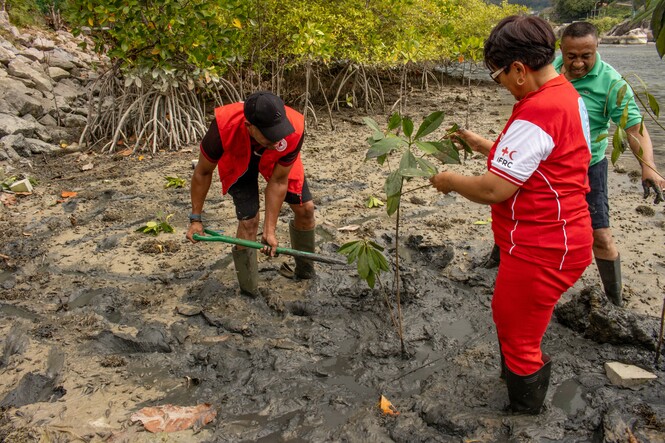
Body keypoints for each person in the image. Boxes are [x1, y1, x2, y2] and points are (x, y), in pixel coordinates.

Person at [430, 15, 593, 414]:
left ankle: (525, 416)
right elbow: (539, 163)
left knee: (519, 337)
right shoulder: (564, 96)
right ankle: (518, 388)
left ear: (519, 69)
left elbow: (493, 188)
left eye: (498, 75)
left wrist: (450, 180)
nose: (500, 83)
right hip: (557, 238)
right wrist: (481, 143)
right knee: (513, 320)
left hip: (544, 246)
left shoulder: (538, 111)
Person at [554, 22, 665, 307]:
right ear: (561, 50)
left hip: (588, 167)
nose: (578, 63)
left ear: (596, 50)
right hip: (547, 163)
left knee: (600, 235)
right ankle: (498, 258)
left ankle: (615, 301)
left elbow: (634, 129)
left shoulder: (613, 83)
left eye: (586, 56)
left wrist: (648, 165)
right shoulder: (551, 69)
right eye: (571, 56)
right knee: (520, 214)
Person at [186, 91, 316, 296]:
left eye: (279, 132)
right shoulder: (222, 129)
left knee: (306, 210)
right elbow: (202, 172)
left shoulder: (292, 130)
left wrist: (270, 230)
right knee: (249, 222)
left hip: (276, 160)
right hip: (238, 158)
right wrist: (196, 219)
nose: (277, 139)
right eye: (270, 134)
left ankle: (306, 272)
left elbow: (279, 180)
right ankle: (249, 290)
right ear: (250, 127)